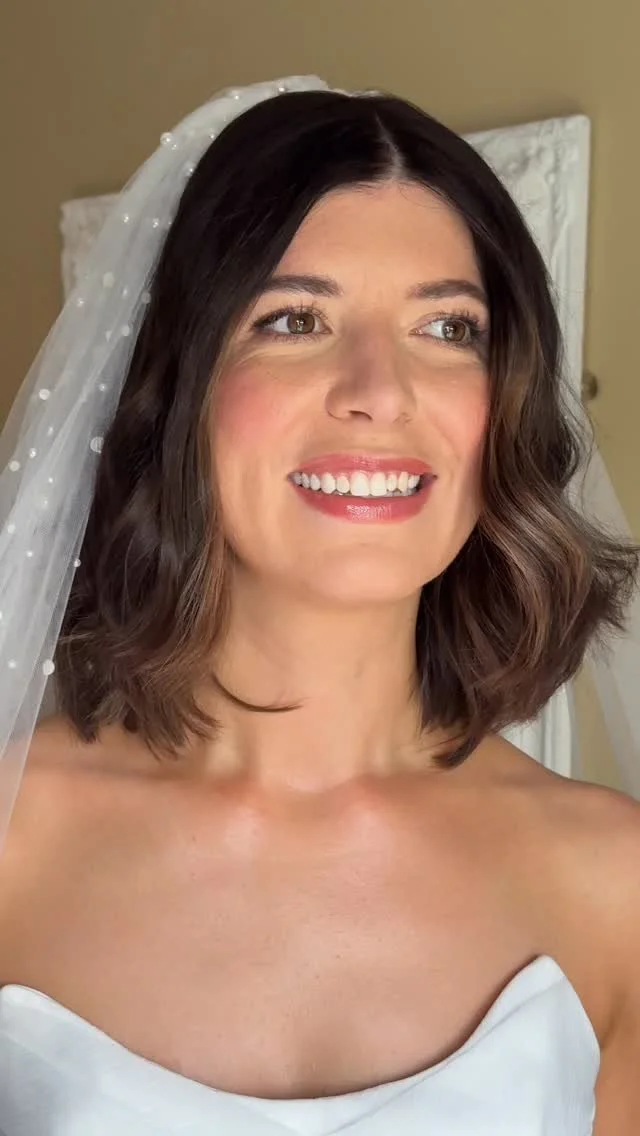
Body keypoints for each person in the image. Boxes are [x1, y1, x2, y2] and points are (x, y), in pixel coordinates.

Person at [0, 74, 638, 1135]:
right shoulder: (12, 840)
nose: (380, 391)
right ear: (177, 389)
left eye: (449, 327)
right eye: (295, 319)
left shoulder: (616, 882)